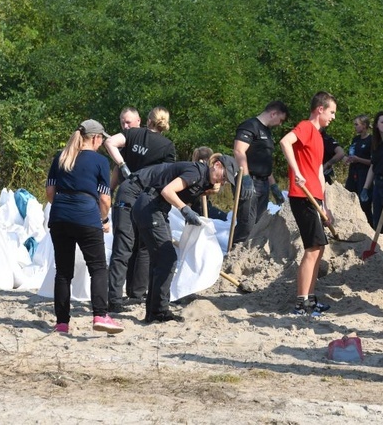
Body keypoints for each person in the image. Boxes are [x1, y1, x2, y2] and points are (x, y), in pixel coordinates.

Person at [131, 154, 239, 323]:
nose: (222, 181)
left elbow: (186, 193)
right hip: (150, 207)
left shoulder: (203, 178)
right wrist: (184, 210)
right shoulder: (195, 172)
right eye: (223, 176)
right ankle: (159, 312)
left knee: (159, 260)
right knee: (167, 258)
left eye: (225, 181)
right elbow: (168, 191)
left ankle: (154, 312)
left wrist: (206, 190)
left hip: (154, 209)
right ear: (217, 165)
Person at [45, 119, 124, 335]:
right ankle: (100, 315)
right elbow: (105, 199)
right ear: (97, 138)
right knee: (98, 267)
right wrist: (104, 219)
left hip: (60, 216)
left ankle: (62, 323)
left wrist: (65, 208)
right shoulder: (99, 161)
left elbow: (50, 193)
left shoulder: (60, 157)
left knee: (63, 272)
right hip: (87, 216)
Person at [105, 107, 176, 310]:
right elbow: (167, 178)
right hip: (148, 198)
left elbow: (109, 142)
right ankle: (137, 293)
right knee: (144, 245)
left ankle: (115, 299)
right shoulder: (168, 146)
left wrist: (123, 166)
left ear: (146, 121)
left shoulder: (132, 134)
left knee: (122, 246)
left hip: (126, 194)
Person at [280, 91, 337, 316]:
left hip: (314, 197)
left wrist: (325, 206)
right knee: (312, 248)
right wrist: (296, 172)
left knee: (319, 248)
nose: (333, 117)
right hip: (301, 195)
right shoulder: (305, 126)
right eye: (331, 112)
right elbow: (285, 142)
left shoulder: (319, 137)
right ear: (320, 109)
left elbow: (319, 173)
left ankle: (311, 298)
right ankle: (301, 302)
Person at [233, 101, 289, 246]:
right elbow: (239, 151)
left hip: (263, 183)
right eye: (280, 120)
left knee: (259, 224)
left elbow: (265, 162)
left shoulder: (267, 132)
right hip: (249, 181)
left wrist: (274, 186)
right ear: (273, 113)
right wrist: (245, 177)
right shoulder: (250, 126)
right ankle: (235, 255)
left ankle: (249, 256)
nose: (280, 124)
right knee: (247, 223)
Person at [344, 115, 372, 223]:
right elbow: (351, 153)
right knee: (349, 197)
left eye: (357, 124)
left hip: (365, 175)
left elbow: (373, 162)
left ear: (364, 125)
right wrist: (348, 159)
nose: (355, 127)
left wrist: (359, 159)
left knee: (364, 203)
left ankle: (368, 224)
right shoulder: (355, 139)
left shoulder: (371, 140)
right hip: (353, 173)